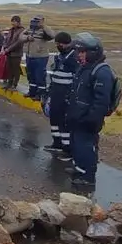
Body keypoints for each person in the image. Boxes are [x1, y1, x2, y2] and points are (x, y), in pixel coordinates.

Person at [66, 32, 116, 186]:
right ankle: (79, 169)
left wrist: (91, 120)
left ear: (92, 52)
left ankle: (87, 177)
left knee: (86, 147)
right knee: (77, 145)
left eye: (82, 52)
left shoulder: (102, 72)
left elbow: (101, 101)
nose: (79, 55)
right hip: (78, 117)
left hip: (87, 120)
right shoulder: (85, 68)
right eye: (78, 51)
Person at [45, 32, 78, 160]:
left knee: (63, 122)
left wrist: (71, 95)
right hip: (56, 92)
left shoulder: (73, 57)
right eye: (57, 44)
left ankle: (67, 149)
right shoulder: (60, 56)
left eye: (60, 44)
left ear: (67, 43)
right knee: (54, 119)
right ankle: (57, 143)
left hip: (66, 94)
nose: (58, 46)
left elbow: (76, 77)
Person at [22, 16, 55, 100]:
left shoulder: (45, 29)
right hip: (30, 56)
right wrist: (27, 38)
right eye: (34, 20)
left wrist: (43, 26)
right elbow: (20, 36)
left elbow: (52, 35)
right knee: (31, 75)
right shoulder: (29, 29)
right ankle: (32, 92)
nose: (35, 22)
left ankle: (40, 94)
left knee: (39, 75)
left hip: (41, 57)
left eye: (37, 21)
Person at [1, 16, 26, 90]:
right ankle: (9, 83)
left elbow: (18, 42)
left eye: (14, 22)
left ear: (18, 22)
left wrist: (8, 49)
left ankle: (14, 85)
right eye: (12, 21)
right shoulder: (11, 30)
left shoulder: (22, 31)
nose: (12, 23)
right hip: (9, 53)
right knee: (9, 69)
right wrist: (5, 47)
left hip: (16, 53)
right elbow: (7, 40)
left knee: (15, 69)